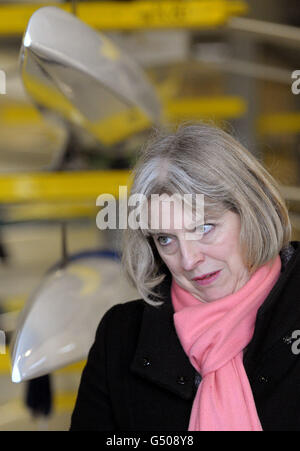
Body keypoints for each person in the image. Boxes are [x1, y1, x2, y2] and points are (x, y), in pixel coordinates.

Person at [70, 123, 300, 431]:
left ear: (252, 210)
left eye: (204, 228)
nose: (189, 260)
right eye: (166, 238)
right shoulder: (120, 337)